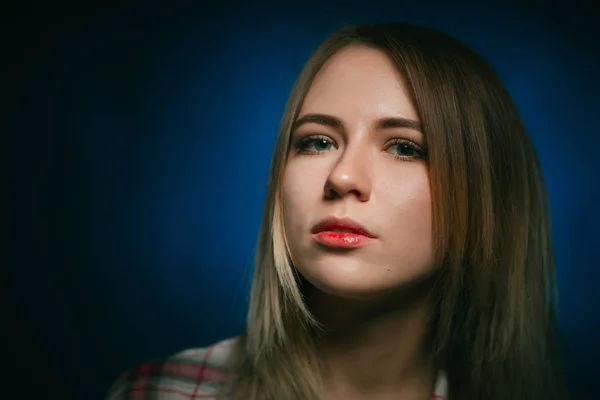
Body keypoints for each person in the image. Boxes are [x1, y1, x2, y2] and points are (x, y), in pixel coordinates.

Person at [106, 22, 569, 400]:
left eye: (405, 148)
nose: (342, 177)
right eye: (317, 141)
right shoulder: (162, 393)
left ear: (486, 197)